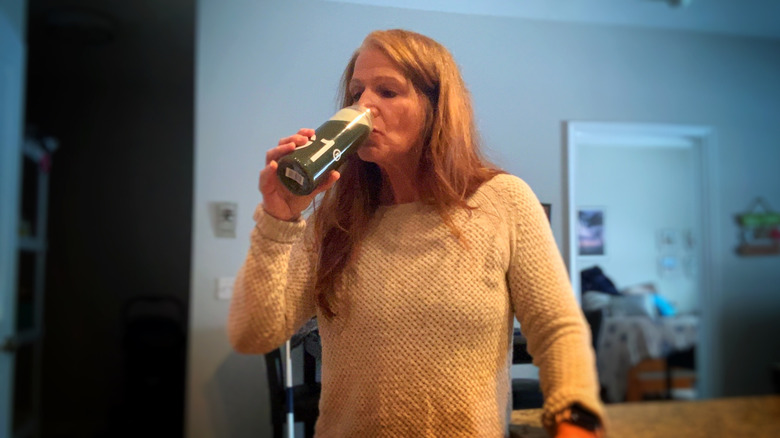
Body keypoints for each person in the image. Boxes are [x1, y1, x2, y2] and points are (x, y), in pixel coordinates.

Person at [228, 29, 606, 438]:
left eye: (388, 91)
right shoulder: (335, 218)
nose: (364, 106)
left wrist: (575, 423)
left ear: (436, 107)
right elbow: (254, 334)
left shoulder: (503, 201)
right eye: (356, 93)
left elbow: (557, 328)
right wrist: (278, 218)